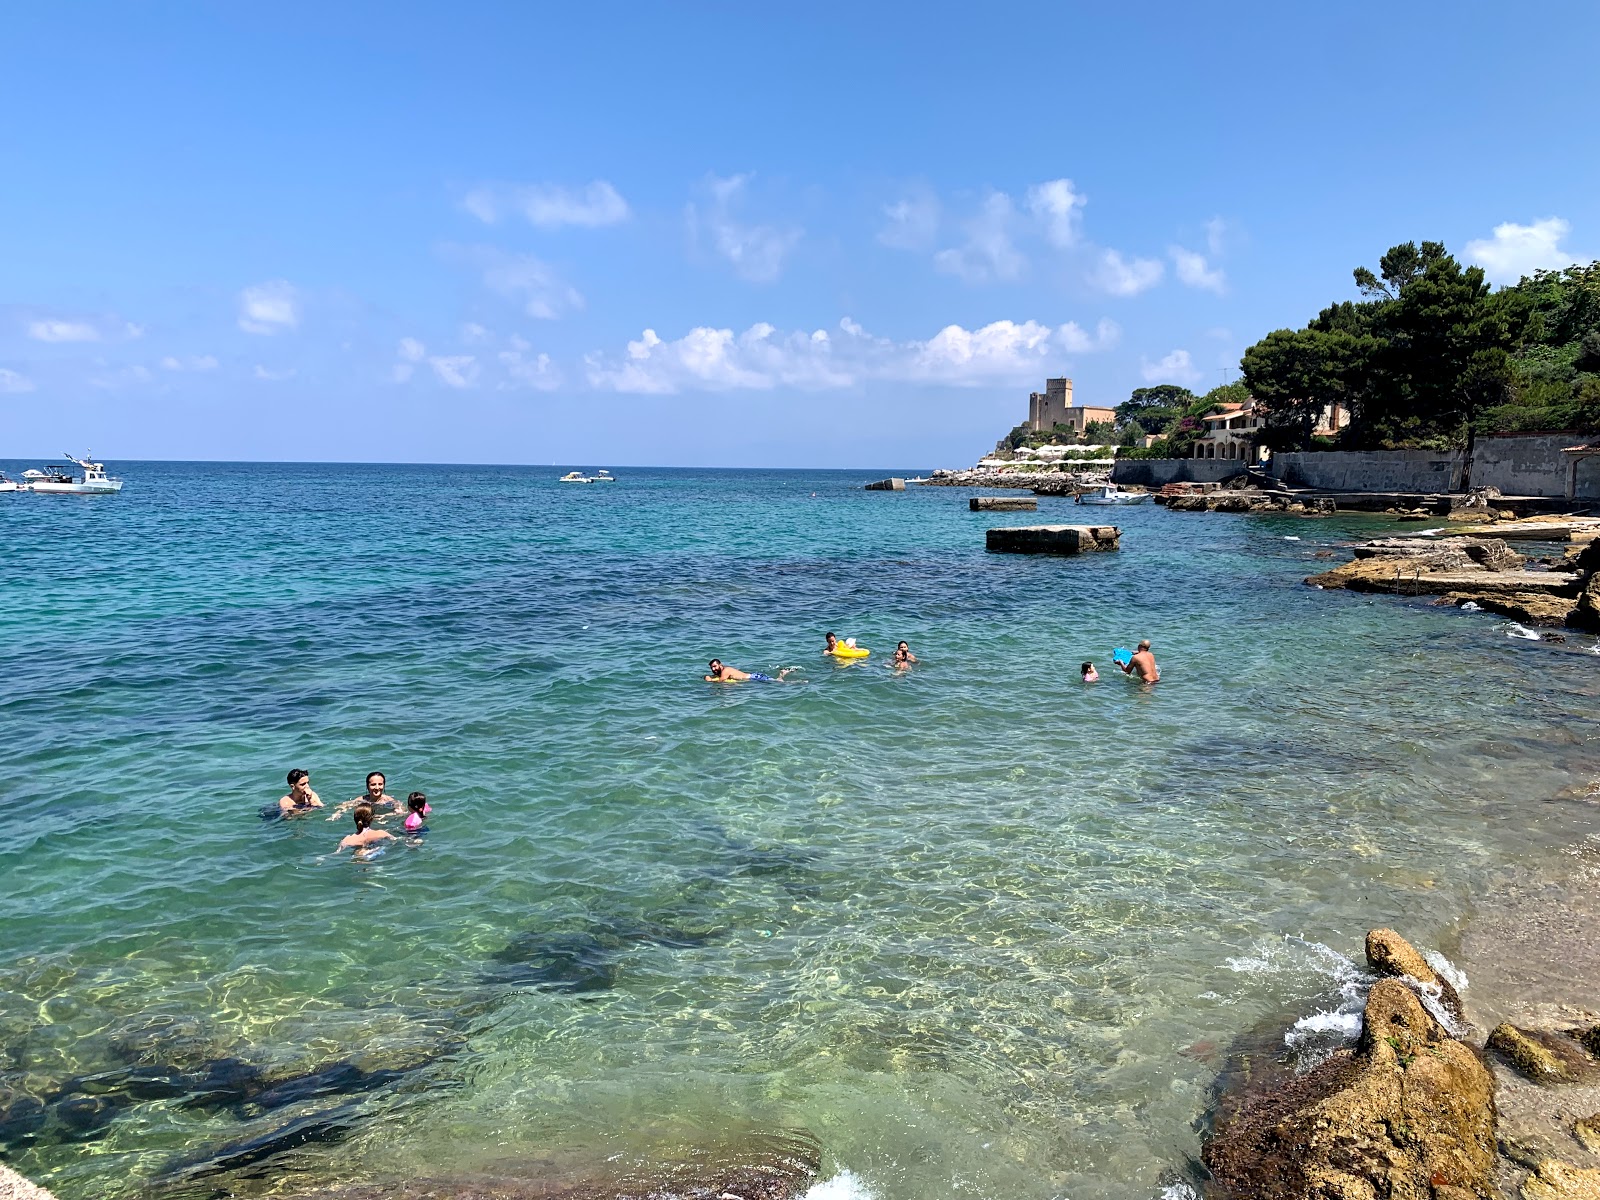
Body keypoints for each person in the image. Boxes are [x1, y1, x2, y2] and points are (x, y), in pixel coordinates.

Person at [329, 772, 401, 820]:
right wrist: (337, 813)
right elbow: (344, 805)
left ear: (384, 785)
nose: (377, 787)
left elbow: (401, 813)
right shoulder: (362, 800)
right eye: (373, 784)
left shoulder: (389, 801)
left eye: (380, 784)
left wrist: (385, 816)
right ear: (367, 786)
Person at [705, 659, 793, 682]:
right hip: (754, 676)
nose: (713, 669)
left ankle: (799, 682)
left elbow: (720, 681)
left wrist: (709, 680)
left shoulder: (725, 671)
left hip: (754, 678)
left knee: (780, 683)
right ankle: (783, 673)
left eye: (715, 666)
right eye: (711, 667)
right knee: (778, 682)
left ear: (720, 665)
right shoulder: (724, 671)